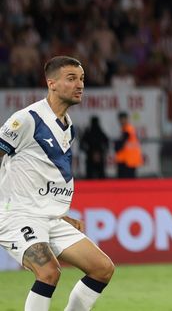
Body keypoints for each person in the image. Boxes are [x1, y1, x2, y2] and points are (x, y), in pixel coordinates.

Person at [0, 56, 114, 310]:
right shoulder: (27, 119)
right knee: (49, 273)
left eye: (82, 79)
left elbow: (39, 174)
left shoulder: (68, 126)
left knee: (102, 269)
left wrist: (60, 215)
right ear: (51, 83)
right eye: (71, 79)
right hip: (17, 216)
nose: (80, 85)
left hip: (48, 217)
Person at [114, 112, 143, 179]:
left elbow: (122, 142)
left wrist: (116, 146)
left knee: (126, 181)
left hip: (127, 160)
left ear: (127, 119)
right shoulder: (127, 129)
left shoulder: (128, 129)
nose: (122, 121)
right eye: (121, 119)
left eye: (123, 119)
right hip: (128, 159)